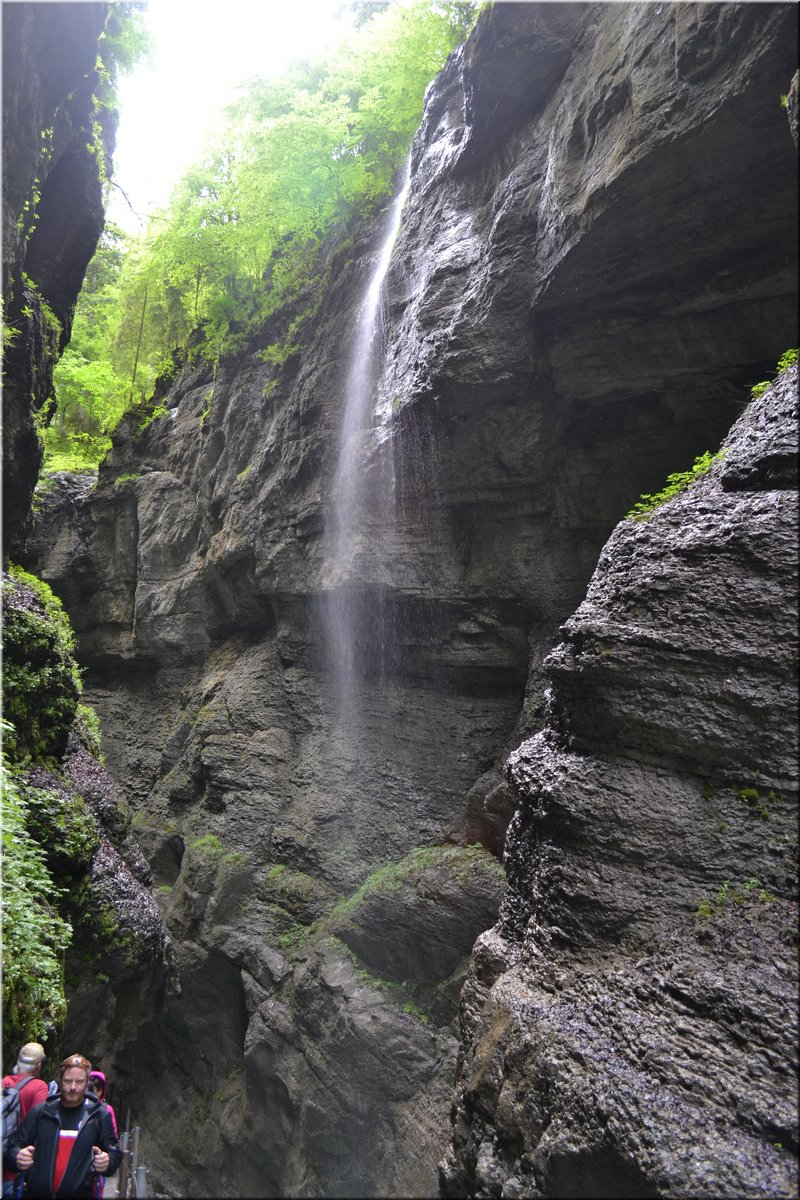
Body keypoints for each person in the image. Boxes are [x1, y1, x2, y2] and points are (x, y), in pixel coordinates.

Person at [4, 1054, 121, 1199]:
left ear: (86, 1083)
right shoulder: (41, 1112)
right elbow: (14, 1147)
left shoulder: (99, 1116)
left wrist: (108, 1162)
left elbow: (114, 1152)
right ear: (59, 1080)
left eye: (79, 1082)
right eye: (68, 1081)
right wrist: (17, 1157)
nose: (73, 1087)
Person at [2, 1043, 49, 1198]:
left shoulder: (4, 1083)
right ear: (39, 1065)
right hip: (18, 1168)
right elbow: (40, 1127)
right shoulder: (39, 1087)